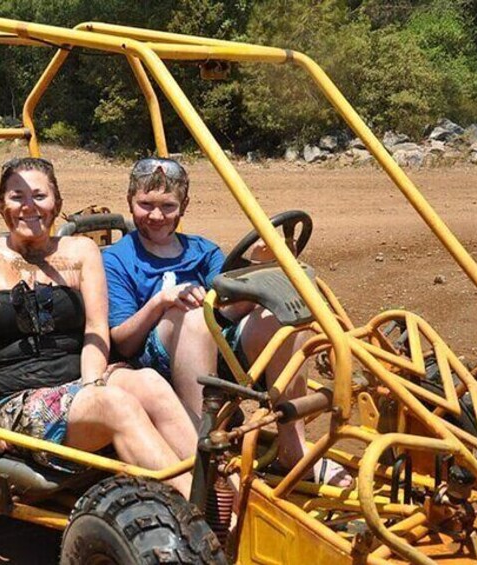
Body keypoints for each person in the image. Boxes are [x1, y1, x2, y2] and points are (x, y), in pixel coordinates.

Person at [0, 157, 196, 496]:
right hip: (13, 398)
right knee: (116, 405)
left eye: (39, 196)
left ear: (57, 204)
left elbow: (96, 328)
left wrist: (91, 384)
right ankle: (199, 510)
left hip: (77, 382)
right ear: (0, 204)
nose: (29, 206)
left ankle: (221, 487)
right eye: (17, 196)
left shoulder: (81, 251)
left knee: (148, 382)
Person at [103, 157, 351, 487]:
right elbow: (123, 342)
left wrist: (262, 266)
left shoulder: (202, 250)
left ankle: (293, 449)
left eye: (167, 206)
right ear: (130, 202)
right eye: (145, 205)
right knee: (192, 316)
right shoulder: (117, 258)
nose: (156, 216)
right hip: (153, 361)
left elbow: (229, 309)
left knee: (280, 317)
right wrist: (161, 302)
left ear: (184, 206)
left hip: (214, 345)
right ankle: (200, 444)